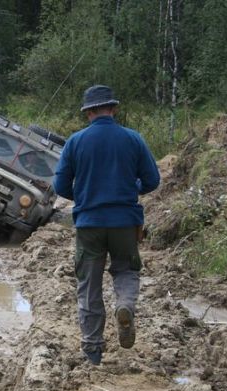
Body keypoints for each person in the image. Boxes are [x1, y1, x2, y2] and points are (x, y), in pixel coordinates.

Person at [53, 85, 160, 365]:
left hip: (89, 223)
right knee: (125, 269)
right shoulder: (133, 139)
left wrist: (86, 195)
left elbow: (59, 185)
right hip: (125, 221)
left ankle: (92, 351)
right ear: (113, 108)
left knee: (89, 285)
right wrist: (130, 187)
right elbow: (152, 181)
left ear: (88, 112)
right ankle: (124, 305)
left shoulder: (75, 142)